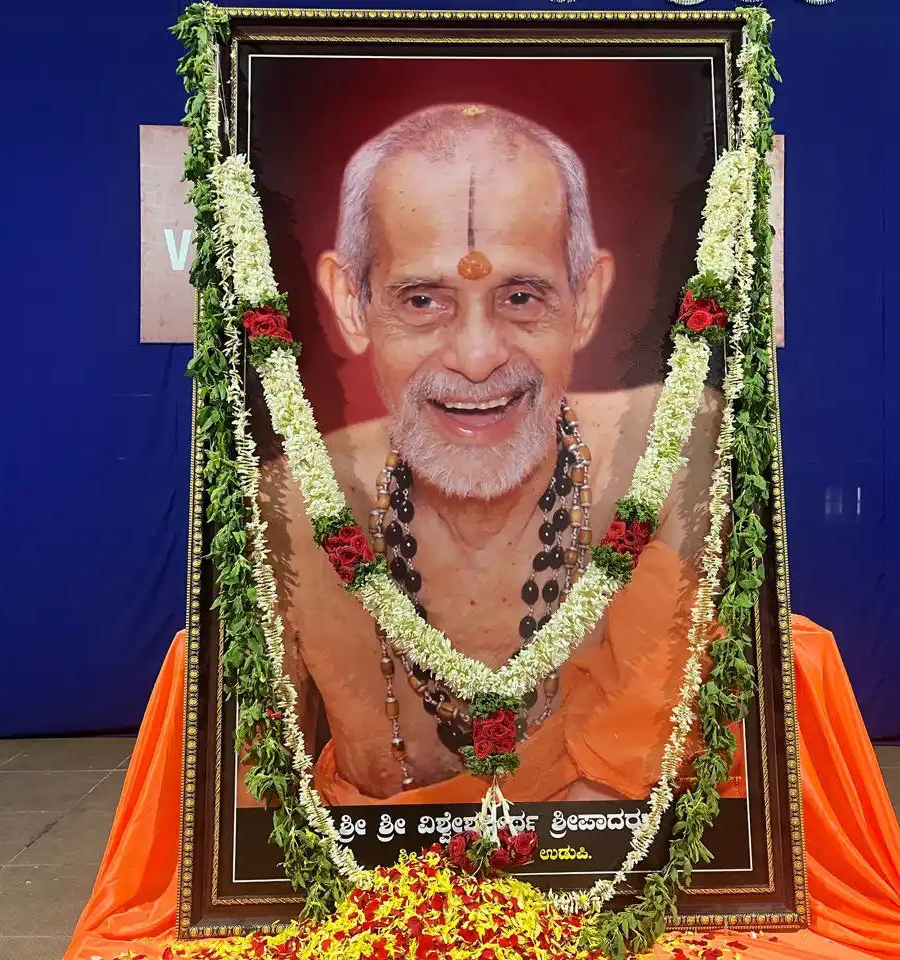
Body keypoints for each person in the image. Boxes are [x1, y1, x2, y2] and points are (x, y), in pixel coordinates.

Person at [252, 103, 741, 806]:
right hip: (378, 896)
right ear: (353, 304)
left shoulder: (669, 459)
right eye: (422, 299)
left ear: (586, 299)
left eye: (520, 295)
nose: (477, 358)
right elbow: (252, 814)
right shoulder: (291, 503)